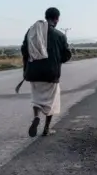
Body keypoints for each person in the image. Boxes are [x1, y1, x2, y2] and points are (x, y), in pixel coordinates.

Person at [21, 7, 72, 137]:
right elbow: (66, 55)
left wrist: (26, 69)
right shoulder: (60, 35)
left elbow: (24, 50)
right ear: (57, 19)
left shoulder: (32, 32)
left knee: (37, 99)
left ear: (46, 17)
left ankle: (36, 117)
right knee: (52, 102)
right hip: (51, 74)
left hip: (33, 73)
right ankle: (46, 129)